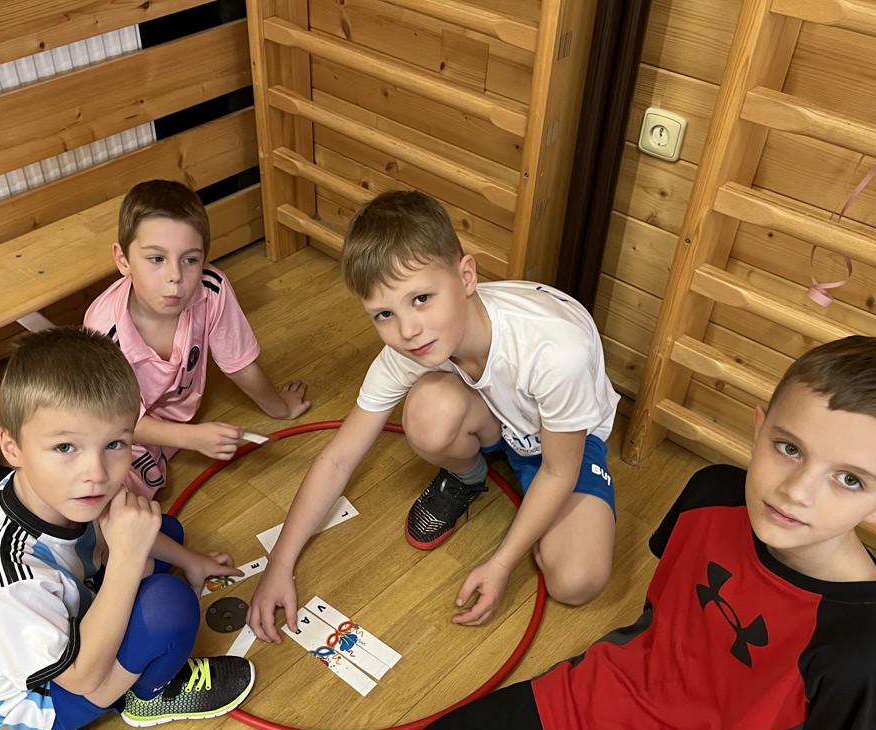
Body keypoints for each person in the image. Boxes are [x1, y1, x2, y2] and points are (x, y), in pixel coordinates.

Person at [415, 335, 876, 730]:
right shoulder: (711, 492)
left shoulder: (855, 642)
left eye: (850, 480)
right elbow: (665, 612)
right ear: (759, 427)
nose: (796, 491)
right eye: (789, 448)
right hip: (618, 689)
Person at [0, 180, 309, 669]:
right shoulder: (105, 326)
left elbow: (239, 362)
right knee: (68, 508)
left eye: (190, 260)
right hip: (116, 435)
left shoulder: (212, 290)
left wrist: (279, 407)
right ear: (122, 260)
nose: (176, 278)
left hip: (138, 441)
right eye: (156, 259)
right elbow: (102, 426)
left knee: (111, 512)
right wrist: (189, 438)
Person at [248, 190, 619, 642]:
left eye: (422, 298)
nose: (408, 330)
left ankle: (521, 484)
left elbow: (559, 470)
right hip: (497, 419)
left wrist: (501, 563)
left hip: (561, 441)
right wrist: (279, 564)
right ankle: (469, 475)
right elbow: (337, 458)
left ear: (466, 276)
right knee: (428, 411)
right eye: (384, 314)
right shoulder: (413, 345)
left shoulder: (556, 352)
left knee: (577, 581)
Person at [0, 326, 254, 730]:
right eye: (65, 446)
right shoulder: (11, 582)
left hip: (59, 601)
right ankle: (145, 698)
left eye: (115, 443)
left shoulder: (57, 487)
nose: (97, 473)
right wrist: (126, 561)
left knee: (164, 531)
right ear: (11, 447)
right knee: (168, 605)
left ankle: (125, 601)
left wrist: (190, 560)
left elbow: (128, 534)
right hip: (47, 693)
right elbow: (84, 680)